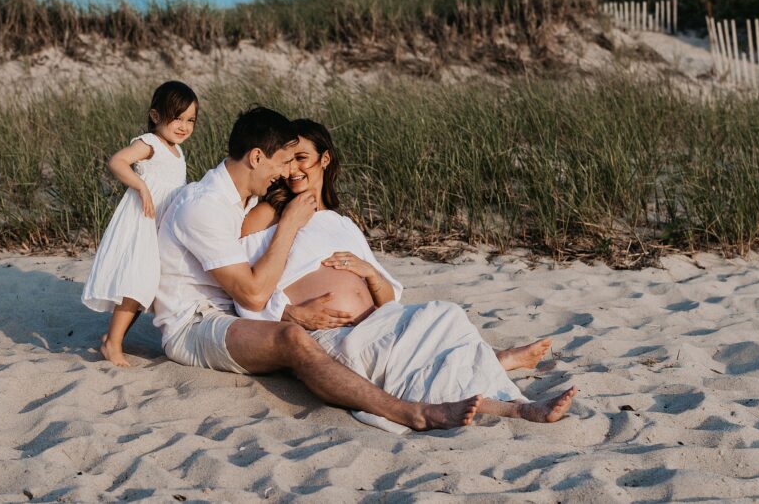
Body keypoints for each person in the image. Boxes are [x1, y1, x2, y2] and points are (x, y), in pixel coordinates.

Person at [152, 106, 482, 431]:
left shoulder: (245, 198)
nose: (285, 173)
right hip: (195, 324)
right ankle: (407, 413)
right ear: (256, 158)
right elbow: (253, 295)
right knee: (292, 339)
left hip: (233, 312)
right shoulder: (203, 207)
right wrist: (290, 225)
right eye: (282, 162)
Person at [238, 119, 577, 432]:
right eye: (288, 160)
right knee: (408, 362)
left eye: (303, 158)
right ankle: (513, 408)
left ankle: (506, 381)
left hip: (384, 319)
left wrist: (371, 274)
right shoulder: (267, 214)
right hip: (337, 334)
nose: (294, 168)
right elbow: (245, 286)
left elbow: (389, 298)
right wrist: (290, 313)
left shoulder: (344, 224)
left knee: (447, 314)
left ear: (324, 160)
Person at [82, 81, 198, 367]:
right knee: (137, 285)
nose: (183, 126)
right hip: (142, 221)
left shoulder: (177, 151)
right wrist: (141, 187)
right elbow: (118, 162)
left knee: (146, 288)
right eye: (177, 117)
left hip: (161, 225)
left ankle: (114, 338)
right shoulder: (150, 143)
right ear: (156, 116)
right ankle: (113, 343)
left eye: (190, 120)